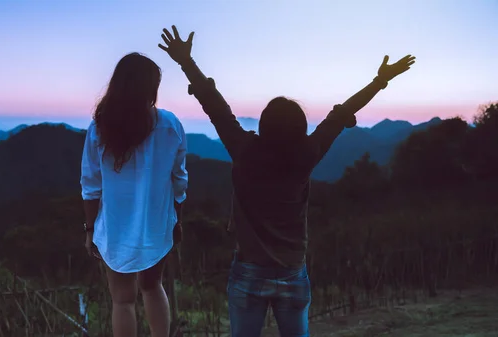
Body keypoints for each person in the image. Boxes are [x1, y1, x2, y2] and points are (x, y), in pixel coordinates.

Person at [158, 25, 415, 337]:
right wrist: (380, 81)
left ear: (264, 124)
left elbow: (215, 106)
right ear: (300, 127)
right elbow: (342, 113)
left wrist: (187, 62)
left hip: (248, 272)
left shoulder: (244, 150)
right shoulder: (308, 153)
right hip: (293, 272)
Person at [80, 52, 188, 337]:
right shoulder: (170, 125)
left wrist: (90, 229)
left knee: (122, 300)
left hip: (114, 229)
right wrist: (177, 219)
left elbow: (91, 185)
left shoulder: (100, 127)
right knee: (153, 287)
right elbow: (179, 180)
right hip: (156, 225)